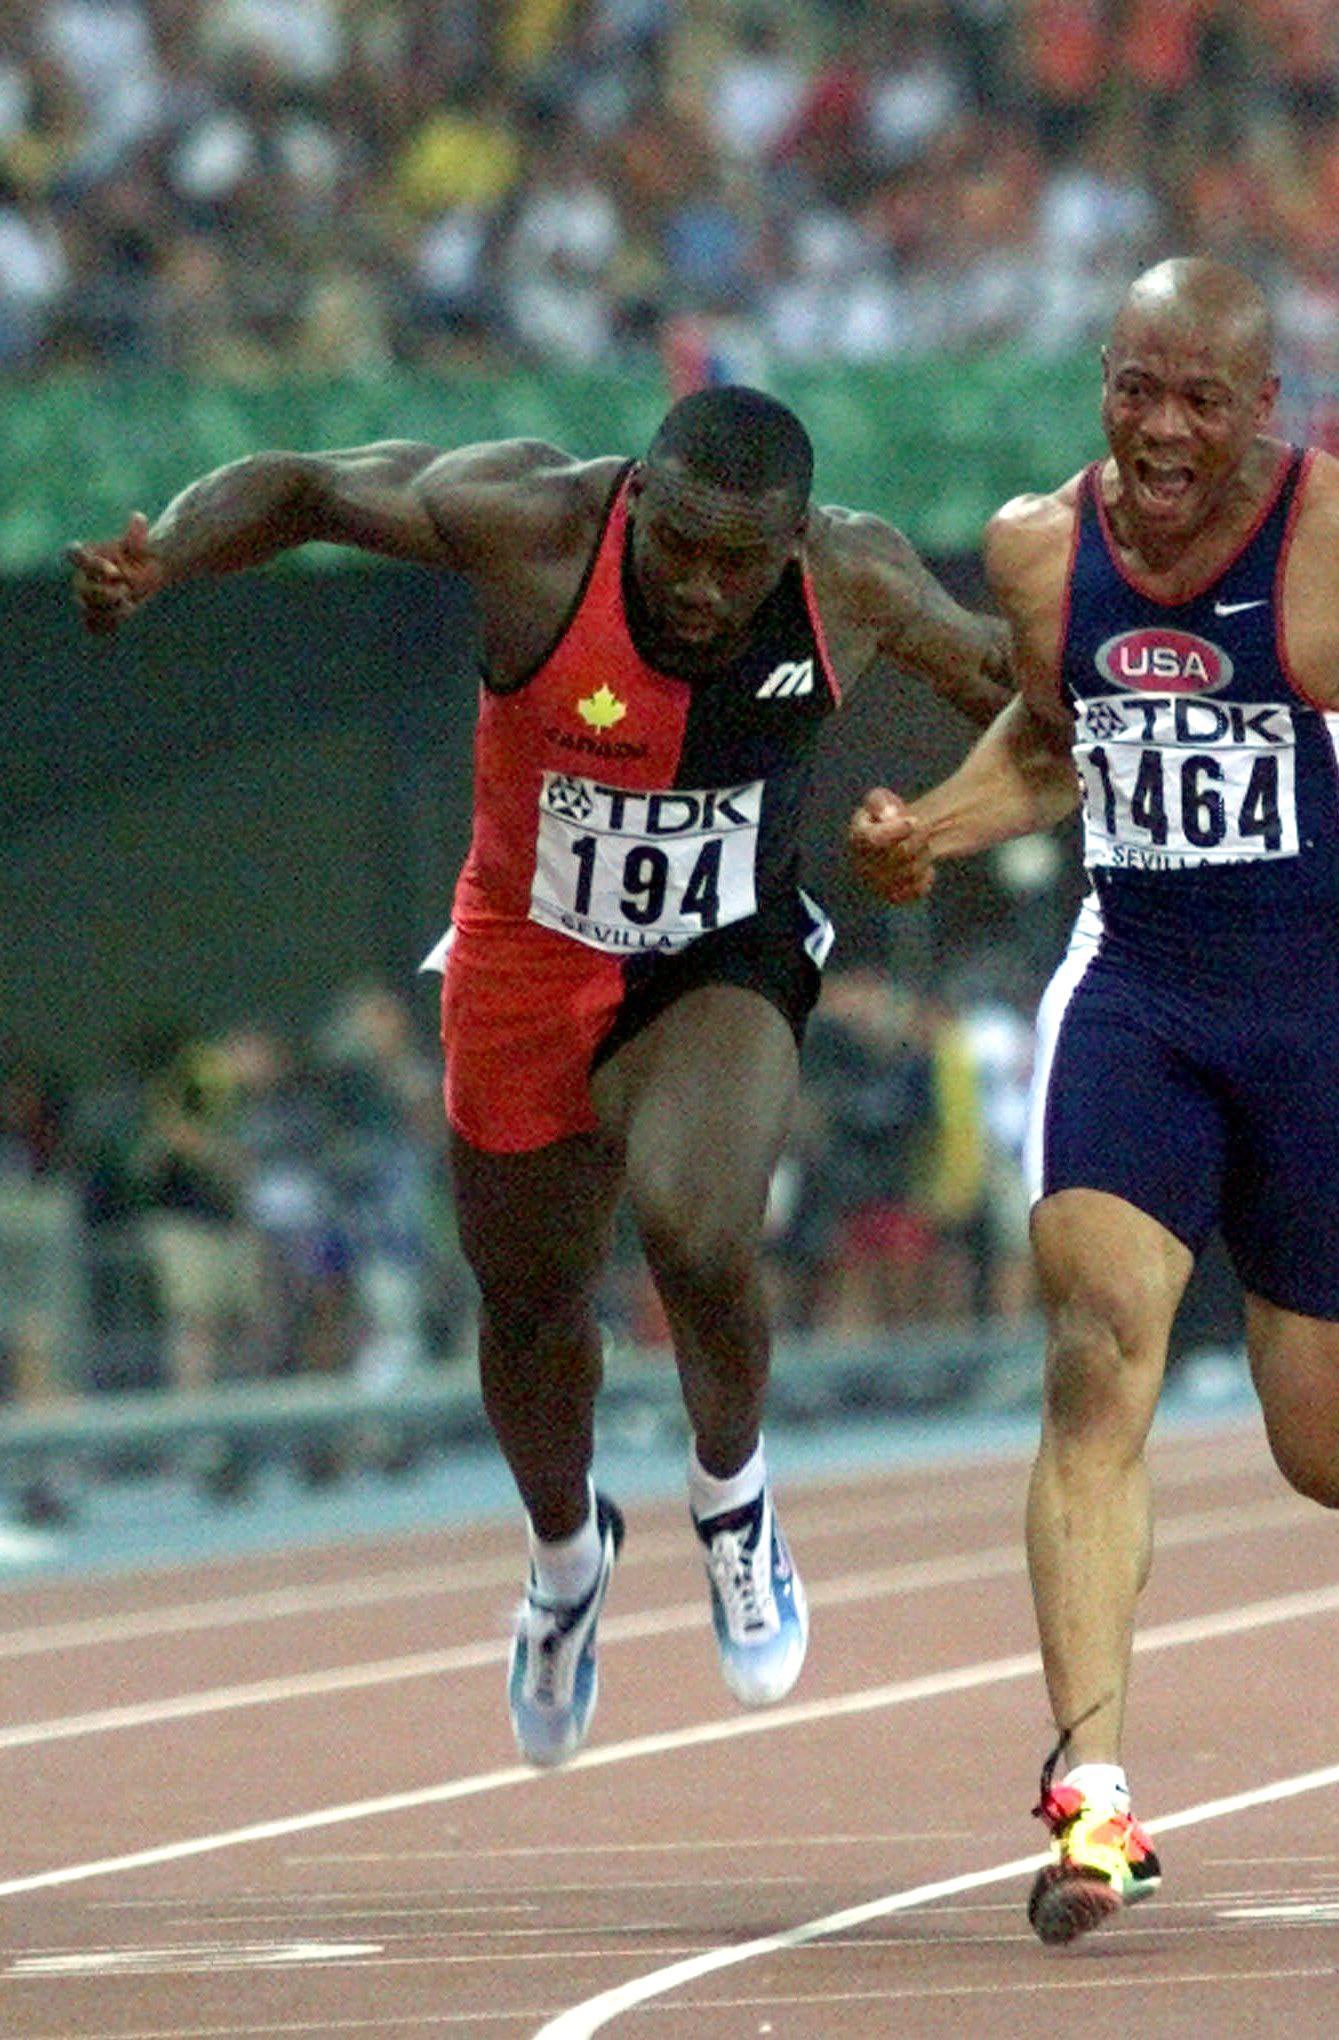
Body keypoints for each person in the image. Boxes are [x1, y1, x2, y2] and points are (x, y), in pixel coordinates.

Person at [68, 384, 1013, 1765]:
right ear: (634, 497)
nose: (699, 585)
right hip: (524, 955)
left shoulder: (855, 579)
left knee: (698, 1233)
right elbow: (308, 484)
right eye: (677, 542)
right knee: (528, 1307)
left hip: (718, 955)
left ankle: (733, 1499)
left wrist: (947, 815)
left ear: (793, 542)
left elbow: (1017, 685)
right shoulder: (535, 527)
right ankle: (566, 1561)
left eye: (737, 561)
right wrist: (165, 558)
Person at [848, 258, 1339, 1943]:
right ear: (1104, 380)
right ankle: (1093, 1798)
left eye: (1201, 400)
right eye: (1135, 388)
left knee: (1338, 1459)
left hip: (1316, 1005)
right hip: (1137, 989)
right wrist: (922, 833)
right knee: (1094, 1345)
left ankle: (1294, 1238)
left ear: (1265, 411)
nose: (1162, 430)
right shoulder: (1039, 549)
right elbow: (1053, 744)